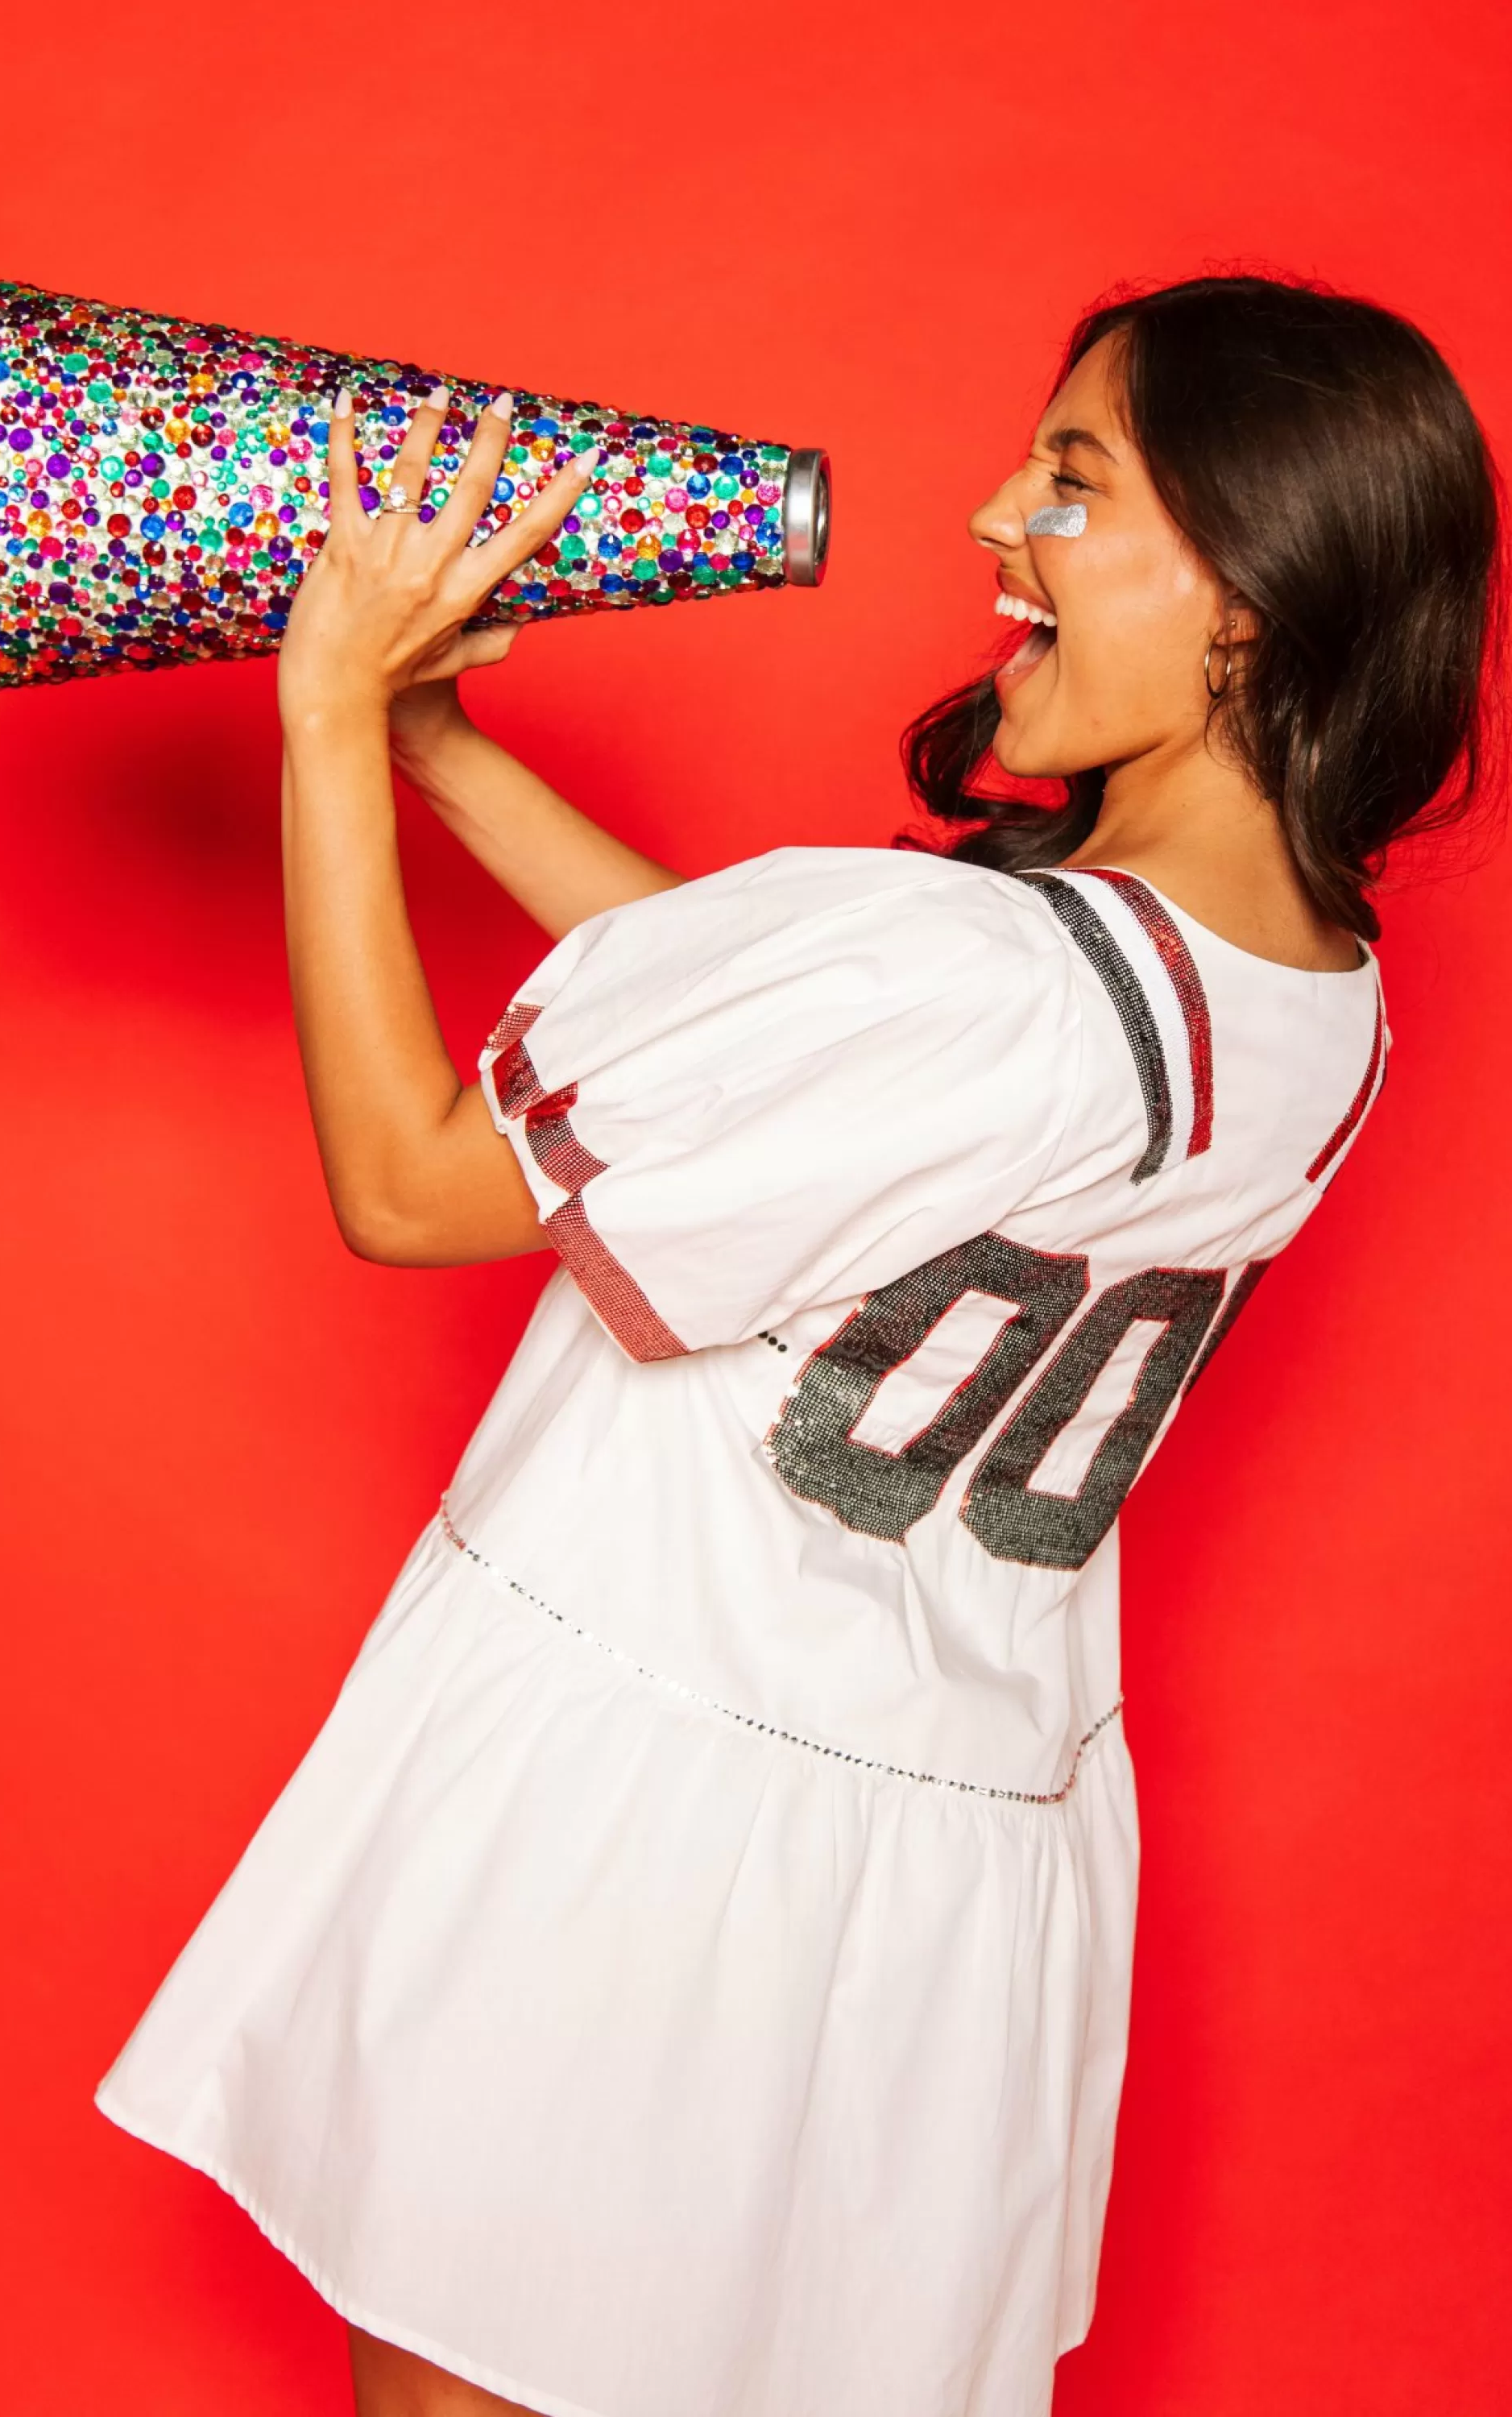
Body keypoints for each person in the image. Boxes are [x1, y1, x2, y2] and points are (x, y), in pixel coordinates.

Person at [95, 275, 1500, 2417]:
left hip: (649, 1825)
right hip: (928, 1879)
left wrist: (318, 724)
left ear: (1244, 591)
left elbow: (403, 1186)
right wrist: (445, 747)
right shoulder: (1319, 999)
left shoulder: (981, 976)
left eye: (1072, 479)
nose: (990, 518)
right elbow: (784, 1056)